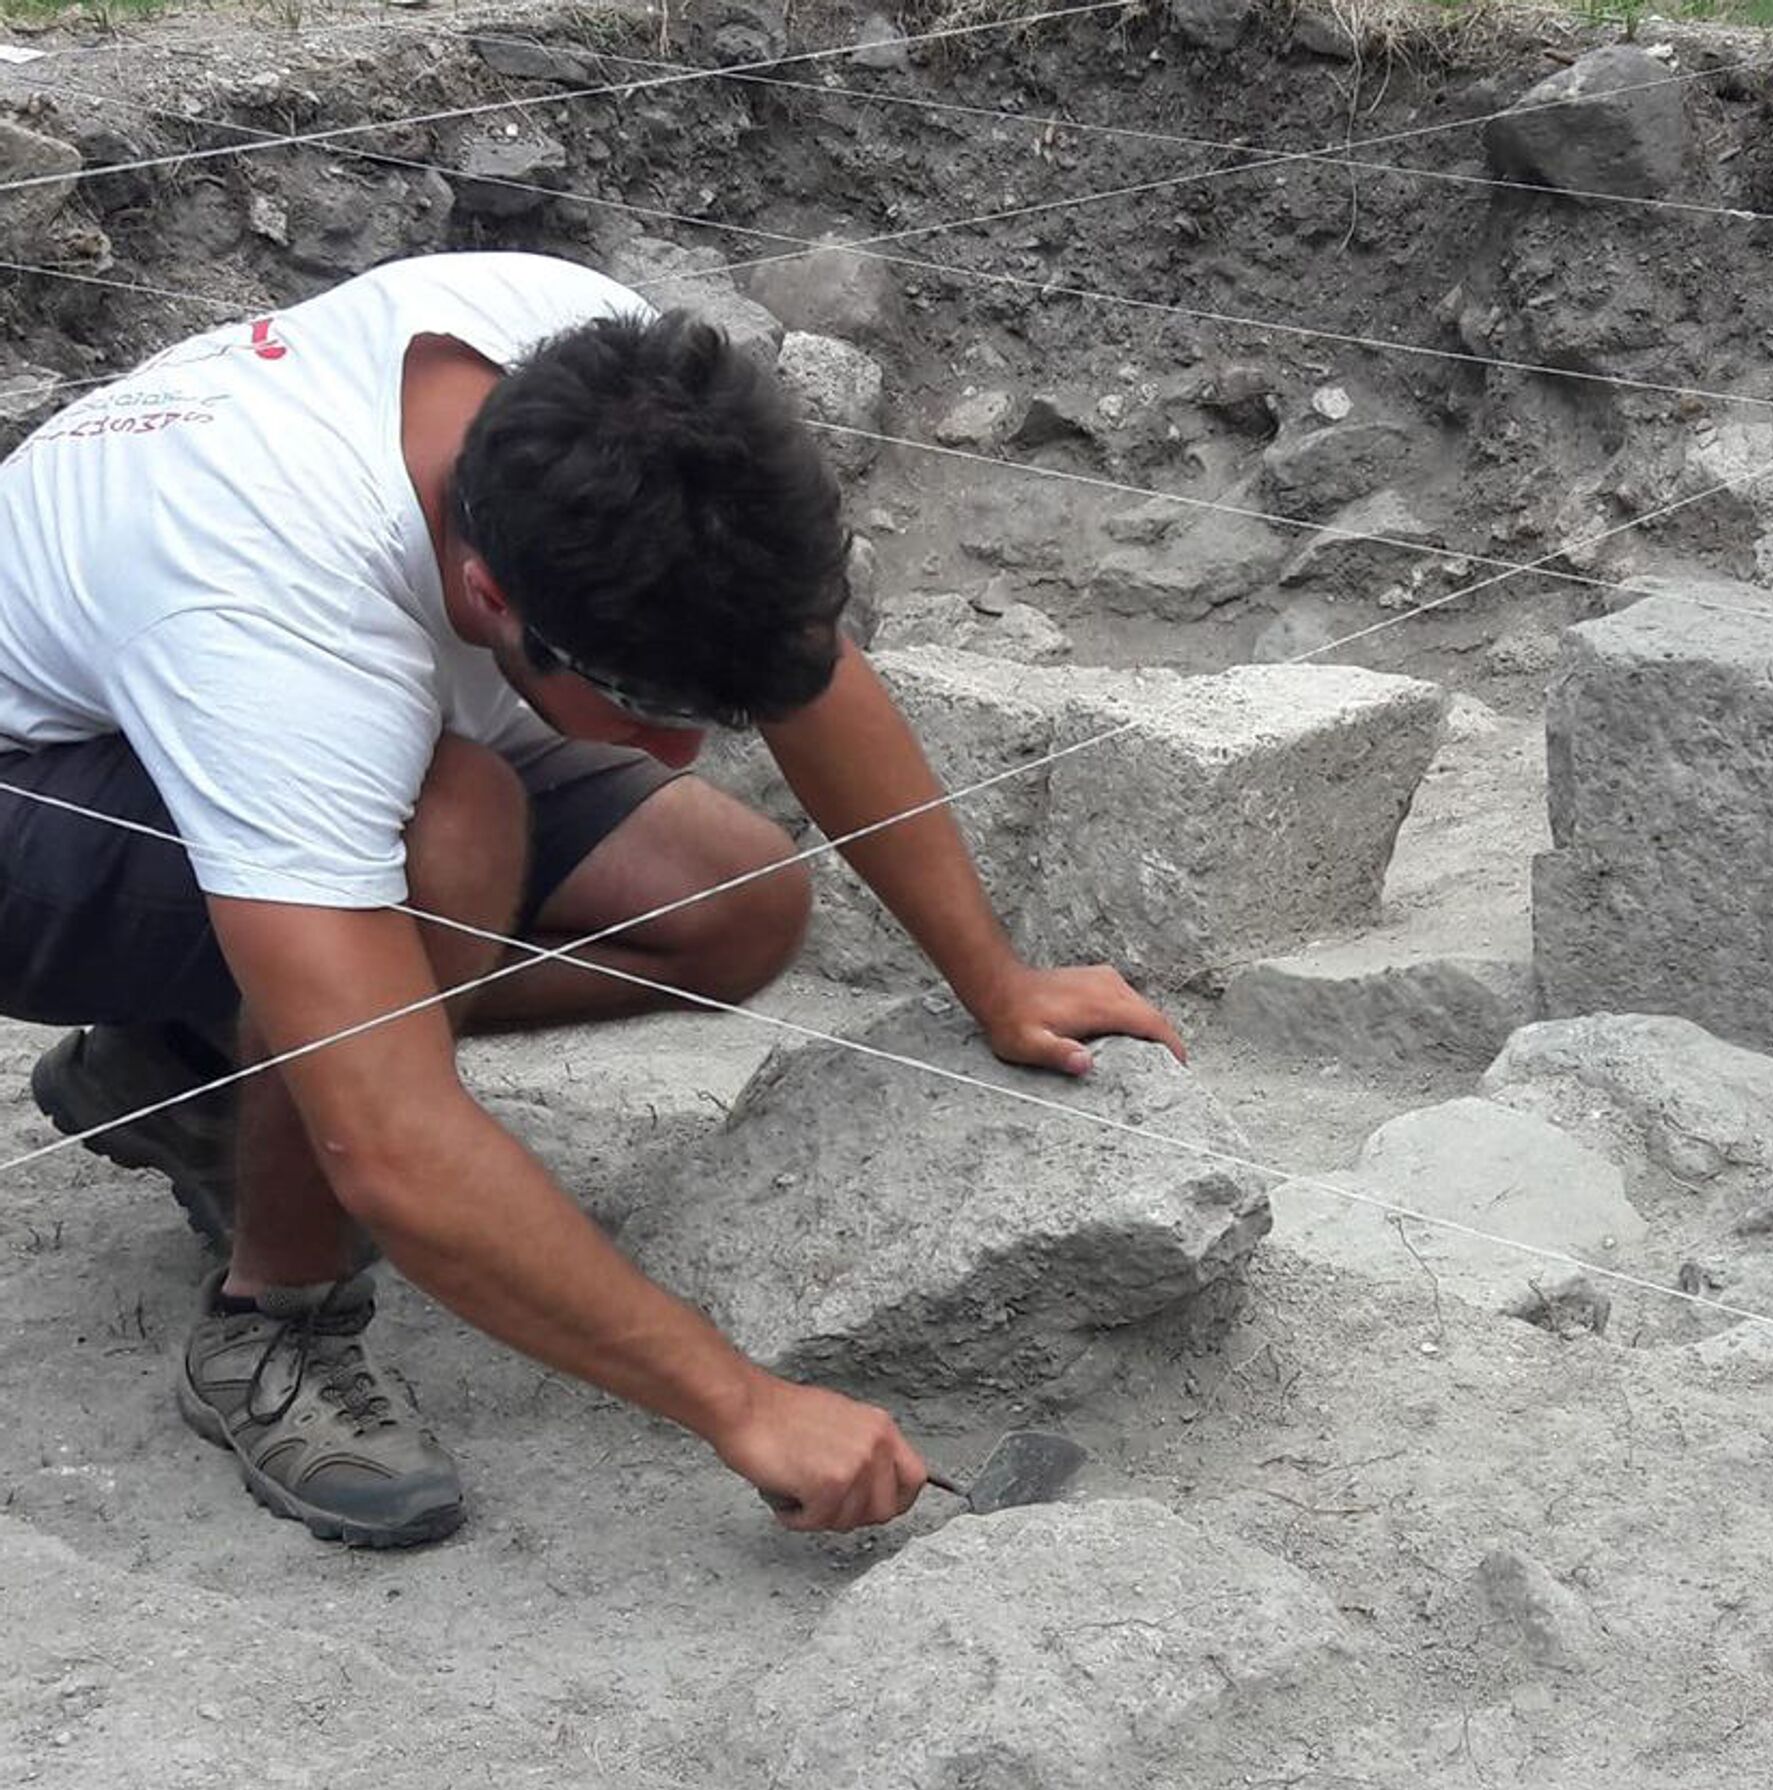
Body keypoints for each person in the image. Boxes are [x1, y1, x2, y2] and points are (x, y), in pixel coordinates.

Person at [0, 250, 1182, 1549]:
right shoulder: (279, 629)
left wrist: (996, 979)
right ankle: (272, 1320)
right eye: (644, 704)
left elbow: (800, 662)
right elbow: (392, 1143)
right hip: (30, 807)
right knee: (454, 824)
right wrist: (742, 1401)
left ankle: (182, 1063)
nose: (676, 750)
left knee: (728, 897)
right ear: (490, 596)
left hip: (187, 710)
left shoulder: (602, 375)